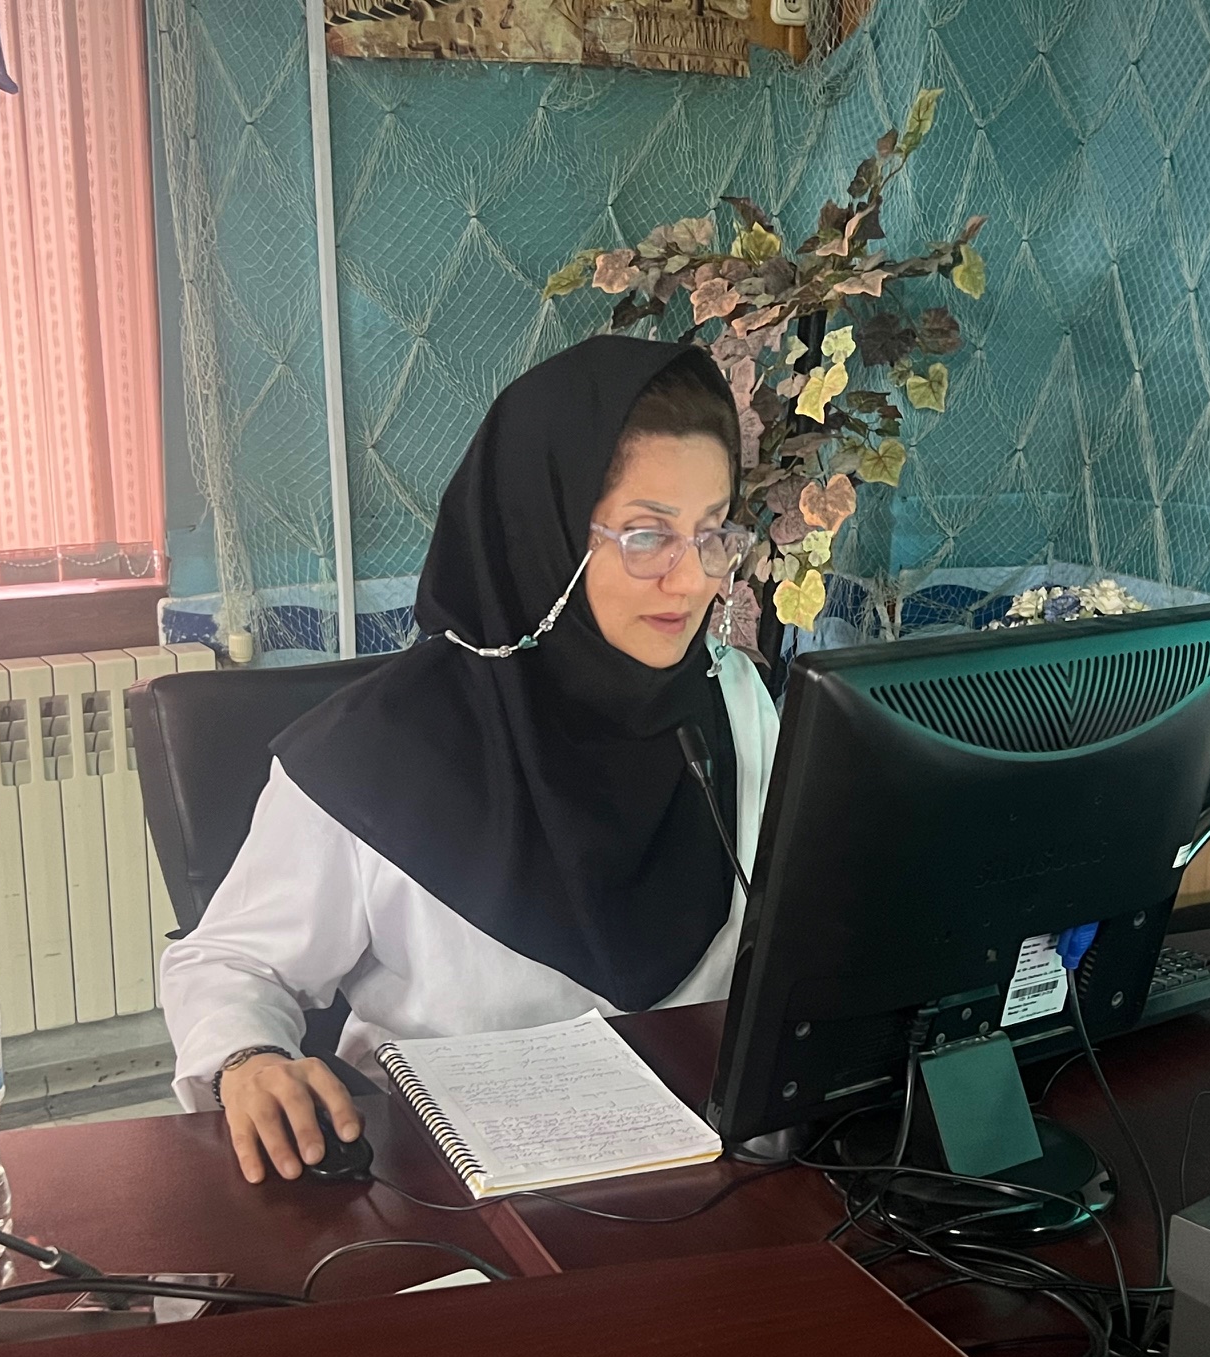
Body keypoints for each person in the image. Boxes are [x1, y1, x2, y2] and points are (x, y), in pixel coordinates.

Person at [159, 337, 776, 1182]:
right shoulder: (375, 749)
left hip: (707, 1171)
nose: (693, 580)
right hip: (452, 1192)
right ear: (542, 532)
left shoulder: (730, 700)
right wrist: (247, 1058)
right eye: (646, 536)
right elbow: (230, 962)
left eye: (712, 534)